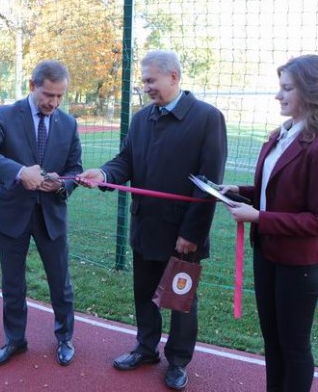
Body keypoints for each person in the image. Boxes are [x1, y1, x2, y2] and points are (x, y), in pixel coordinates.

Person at [77, 50, 227, 391]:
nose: (145, 87)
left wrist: (192, 233)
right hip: (145, 228)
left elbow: (209, 184)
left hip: (183, 236)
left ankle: (178, 361)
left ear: (173, 77)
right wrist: (104, 174)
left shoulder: (207, 118)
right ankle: (146, 349)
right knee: (144, 294)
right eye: (143, 81)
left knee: (180, 301)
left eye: (150, 80)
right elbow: (126, 161)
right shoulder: (142, 118)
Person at [222, 55, 318, 392]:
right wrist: (240, 192)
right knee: (273, 340)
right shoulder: (281, 135)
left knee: (293, 346)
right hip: (267, 252)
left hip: (300, 264)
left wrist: (259, 217)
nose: (278, 95)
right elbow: (277, 191)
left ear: (312, 91)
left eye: (287, 88)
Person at [0, 60, 82, 368]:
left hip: (51, 215)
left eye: (60, 96)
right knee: (13, 283)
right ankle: (15, 340)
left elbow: (75, 169)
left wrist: (63, 184)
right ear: (32, 86)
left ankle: (64, 337)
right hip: (12, 214)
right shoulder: (5, 115)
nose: (54, 103)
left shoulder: (69, 124)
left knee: (60, 282)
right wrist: (21, 172)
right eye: (48, 95)